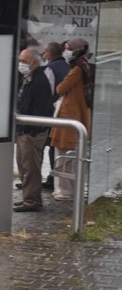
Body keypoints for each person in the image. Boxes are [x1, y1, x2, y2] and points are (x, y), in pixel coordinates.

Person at [50, 37, 93, 201]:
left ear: (77, 50)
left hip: (69, 118)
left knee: (64, 155)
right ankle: (70, 190)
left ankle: (65, 191)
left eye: (68, 48)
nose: (66, 51)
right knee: (71, 156)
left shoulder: (76, 69)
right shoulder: (84, 66)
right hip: (78, 116)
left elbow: (61, 88)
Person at [13, 48, 54, 213]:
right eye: (20, 61)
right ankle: (27, 197)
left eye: (24, 61)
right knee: (23, 164)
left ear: (34, 63)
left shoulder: (40, 81)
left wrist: (30, 131)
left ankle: (32, 201)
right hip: (24, 129)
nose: (21, 65)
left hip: (32, 132)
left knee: (31, 167)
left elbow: (39, 108)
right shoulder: (28, 77)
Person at [42, 42, 71, 188]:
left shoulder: (49, 69)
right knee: (57, 147)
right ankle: (56, 177)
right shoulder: (68, 67)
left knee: (50, 147)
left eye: (45, 52)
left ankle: (53, 179)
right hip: (64, 112)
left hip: (52, 113)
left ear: (51, 54)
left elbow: (48, 92)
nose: (43, 55)